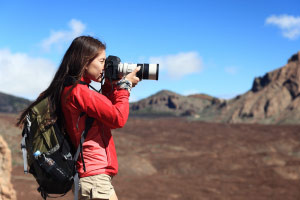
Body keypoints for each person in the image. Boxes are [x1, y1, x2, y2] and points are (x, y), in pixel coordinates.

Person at [17, 35, 140, 200]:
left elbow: (106, 114)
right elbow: (118, 118)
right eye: (102, 61)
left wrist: (111, 85)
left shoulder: (72, 89)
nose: (105, 67)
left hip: (93, 178)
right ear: (85, 61)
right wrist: (124, 87)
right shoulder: (80, 92)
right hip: (94, 178)